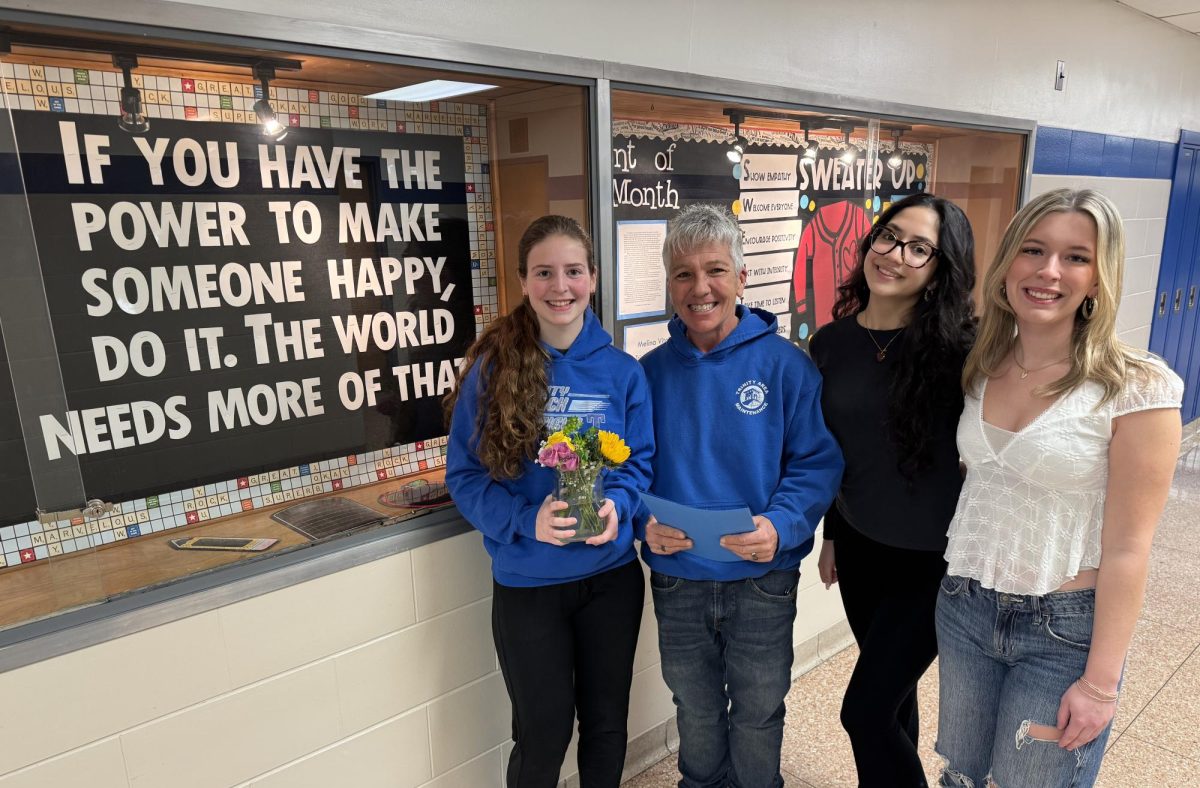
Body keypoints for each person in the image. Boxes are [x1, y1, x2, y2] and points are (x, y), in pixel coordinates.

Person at [934, 189, 1183, 787]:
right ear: (1007, 266)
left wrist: (1101, 682)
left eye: (1076, 257)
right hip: (966, 605)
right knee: (963, 773)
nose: (1049, 271)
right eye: (1034, 250)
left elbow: (1129, 549)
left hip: (1064, 627)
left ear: (1099, 278)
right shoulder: (980, 362)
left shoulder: (1136, 387)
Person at [638, 203, 844, 788]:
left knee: (758, 711)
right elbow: (626, 473)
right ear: (670, 284)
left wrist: (781, 525)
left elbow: (816, 463)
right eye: (683, 273)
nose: (700, 288)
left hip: (763, 578)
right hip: (678, 576)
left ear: (742, 278)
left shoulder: (786, 367)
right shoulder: (647, 375)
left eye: (715, 271)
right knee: (695, 709)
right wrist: (639, 525)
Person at [444, 215, 654, 788]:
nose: (560, 286)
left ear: (592, 279)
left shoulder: (623, 373)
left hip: (610, 579)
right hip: (528, 584)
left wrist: (622, 505)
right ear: (523, 281)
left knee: (608, 726)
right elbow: (464, 476)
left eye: (573, 271)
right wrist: (524, 520)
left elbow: (639, 463)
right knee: (543, 734)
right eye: (544, 272)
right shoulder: (491, 372)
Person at [809, 192, 976, 786]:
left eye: (919, 248)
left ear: (939, 270)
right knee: (893, 700)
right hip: (860, 546)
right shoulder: (830, 344)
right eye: (888, 236)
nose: (895, 254)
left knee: (864, 711)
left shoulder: (963, 350)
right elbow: (831, 451)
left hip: (934, 561)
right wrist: (832, 533)